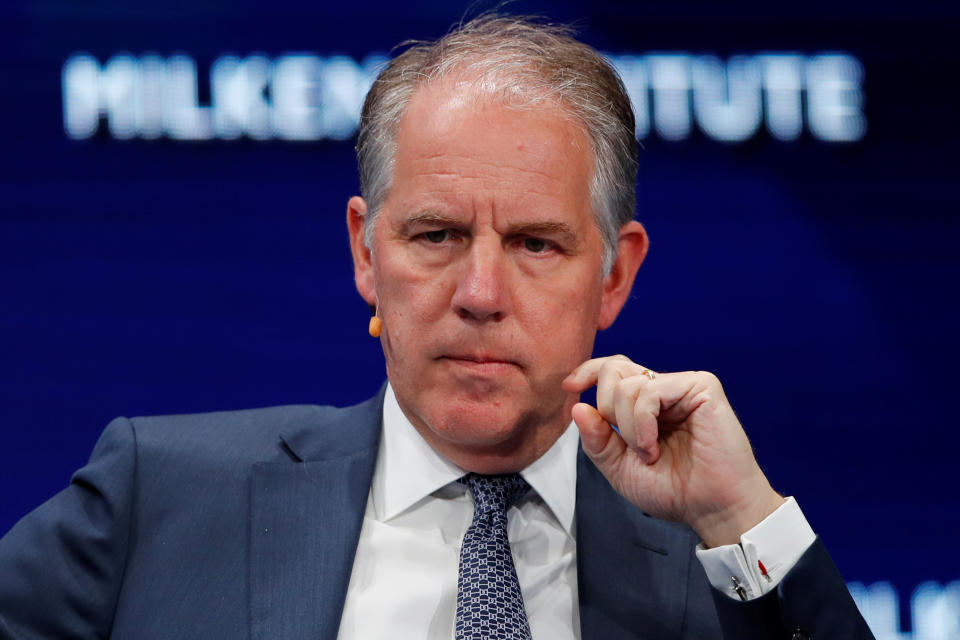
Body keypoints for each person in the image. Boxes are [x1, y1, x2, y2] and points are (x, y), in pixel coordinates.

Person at [0, 14, 874, 640]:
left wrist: (741, 516)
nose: (480, 292)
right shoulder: (160, 499)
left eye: (536, 243)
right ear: (365, 253)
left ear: (615, 275)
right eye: (436, 235)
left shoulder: (720, 555)